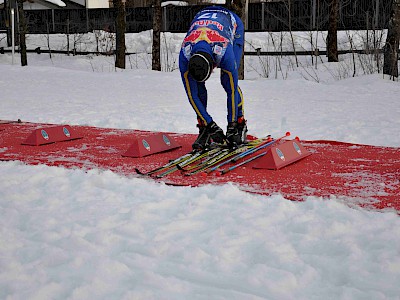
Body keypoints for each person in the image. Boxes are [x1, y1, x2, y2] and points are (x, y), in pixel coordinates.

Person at [179, 6, 247, 151]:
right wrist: (210, 125)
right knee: (197, 87)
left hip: (232, 24)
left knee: (228, 83)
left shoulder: (224, 52)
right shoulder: (185, 56)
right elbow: (192, 95)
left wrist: (232, 125)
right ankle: (204, 127)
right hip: (202, 18)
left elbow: (233, 90)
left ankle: (239, 124)